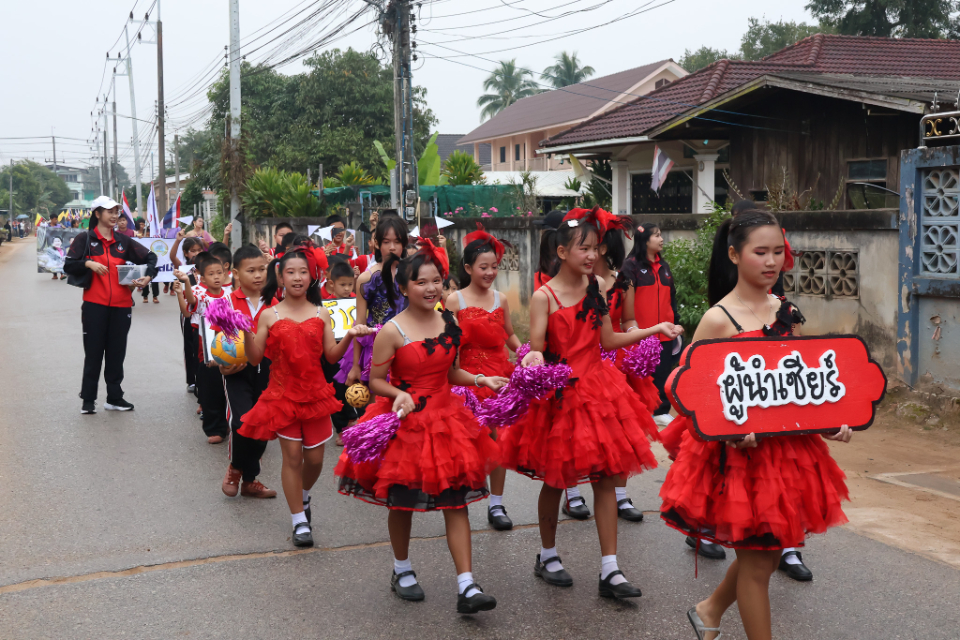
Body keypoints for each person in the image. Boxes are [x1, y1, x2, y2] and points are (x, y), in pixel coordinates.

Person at [659, 210, 852, 640]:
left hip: (786, 454)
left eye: (778, 252)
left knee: (764, 557)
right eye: (760, 252)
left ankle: (709, 611)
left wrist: (827, 422)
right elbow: (682, 391)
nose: (771, 261)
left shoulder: (786, 311)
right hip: (738, 460)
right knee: (759, 563)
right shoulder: (718, 318)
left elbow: (797, 386)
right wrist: (728, 430)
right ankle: (710, 613)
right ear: (734, 254)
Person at [498, 207, 681, 599]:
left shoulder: (596, 285)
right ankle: (548, 555)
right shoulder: (543, 296)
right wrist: (532, 359)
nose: (592, 255)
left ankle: (610, 569)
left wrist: (654, 329)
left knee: (607, 478)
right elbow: (538, 348)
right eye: (584, 248)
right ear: (562, 252)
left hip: (600, 391)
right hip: (561, 396)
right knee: (555, 480)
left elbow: (608, 340)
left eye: (595, 248)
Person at [335, 240, 505, 614]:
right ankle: (402, 569)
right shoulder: (391, 330)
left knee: (456, 502)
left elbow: (452, 372)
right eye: (421, 282)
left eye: (437, 281)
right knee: (402, 503)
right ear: (404, 287)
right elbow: (375, 380)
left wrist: (481, 379)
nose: (431, 289)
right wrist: (398, 394)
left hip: (447, 422)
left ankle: (467, 585)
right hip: (406, 424)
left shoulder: (450, 322)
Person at [239, 244, 372, 547]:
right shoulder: (268, 315)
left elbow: (331, 355)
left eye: (303, 272)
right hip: (282, 396)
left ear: (312, 277)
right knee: (292, 457)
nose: (297, 277)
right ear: (280, 277)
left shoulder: (321, 312)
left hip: (315, 396)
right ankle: (299, 520)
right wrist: (245, 332)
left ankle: (303, 495)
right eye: (291, 272)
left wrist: (350, 335)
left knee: (314, 459)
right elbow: (255, 358)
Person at [444, 225, 521, 531]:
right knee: (468, 442)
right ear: (468, 268)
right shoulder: (455, 301)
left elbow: (510, 335)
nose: (490, 273)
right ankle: (461, 498)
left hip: (499, 379)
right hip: (468, 381)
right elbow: (450, 348)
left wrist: (526, 354)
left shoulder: (501, 299)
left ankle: (496, 504)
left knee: (499, 440)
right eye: (483, 267)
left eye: (494, 267)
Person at [588, 208, 658, 524]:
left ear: (603, 247)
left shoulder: (623, 282)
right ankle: (572, 492)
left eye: (591, 244)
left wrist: (638, 337)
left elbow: (628, 320)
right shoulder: (576, 284)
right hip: (586, 363)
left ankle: (619, 495)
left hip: (619, 363)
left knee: (623, 432)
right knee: (584, 432)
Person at [63, 196, 158, 414]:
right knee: (94, 353)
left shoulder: (124, 241)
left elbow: (151, 257)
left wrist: (148, 276)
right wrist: (88, 263)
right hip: (94, 305)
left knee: (116, 353)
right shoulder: (85, 239)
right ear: (97, 214)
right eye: (110, 211)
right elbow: (68, 265)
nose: (115, 216)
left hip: (122, 306)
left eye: (117, 212)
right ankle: (88, 400)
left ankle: (114, 398)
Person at [218, 244, 277, 500]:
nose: (258, 275)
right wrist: (221, 364)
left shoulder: (275, 303)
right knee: (242, 422)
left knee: (264, 425)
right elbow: (214, 341)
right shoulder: (226, 303)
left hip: (270, 372)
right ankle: (235, 469)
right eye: (251, 270)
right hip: (237, 371)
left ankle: (250, 480)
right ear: (235, 273)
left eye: (262, 269)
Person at [619, 223, 680, 427]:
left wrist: (676, 323)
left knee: (663, 372)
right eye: (657, 235)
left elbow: (672, 298)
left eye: (661, 235)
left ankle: (661, 411)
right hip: (640, 333)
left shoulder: (664, 266)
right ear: (645, 240)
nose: (661, 239)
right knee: (640, 376)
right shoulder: (630, 267)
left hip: (665, 333)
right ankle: (639, 412)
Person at [343, 216, 410, 387]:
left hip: (410, 345)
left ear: (404, 244)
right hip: (376, 349)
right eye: (386, 242)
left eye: (397, 241)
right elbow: (360, 322)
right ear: (377, 244)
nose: (392, 247)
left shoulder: (413, 274)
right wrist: (356, 365)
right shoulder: (366, 278)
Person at [176, 252, 232, 443]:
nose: (216, 277)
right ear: (203, 278)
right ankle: (214, 428)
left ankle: (228, 421)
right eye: (211, 274)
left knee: (229, 385)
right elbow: (190, 304)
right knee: (211, 387)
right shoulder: (200, 294)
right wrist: (185, 283)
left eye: (219, 273)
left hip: (230, 344)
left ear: (225, 274)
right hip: (206, 347)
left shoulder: (231, 294)